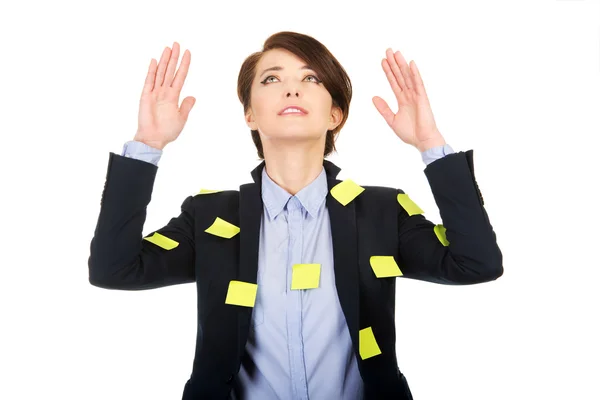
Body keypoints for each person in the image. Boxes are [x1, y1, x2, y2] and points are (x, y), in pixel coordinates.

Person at [88, 31, 503, 400]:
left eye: (311, 78)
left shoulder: (382, 211)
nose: (292, 90)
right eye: (272, 79)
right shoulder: (208, 216)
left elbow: (476, 264)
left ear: (335, 114)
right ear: (250, 113)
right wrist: (147, 145)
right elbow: (114, 269)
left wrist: (430, 144)